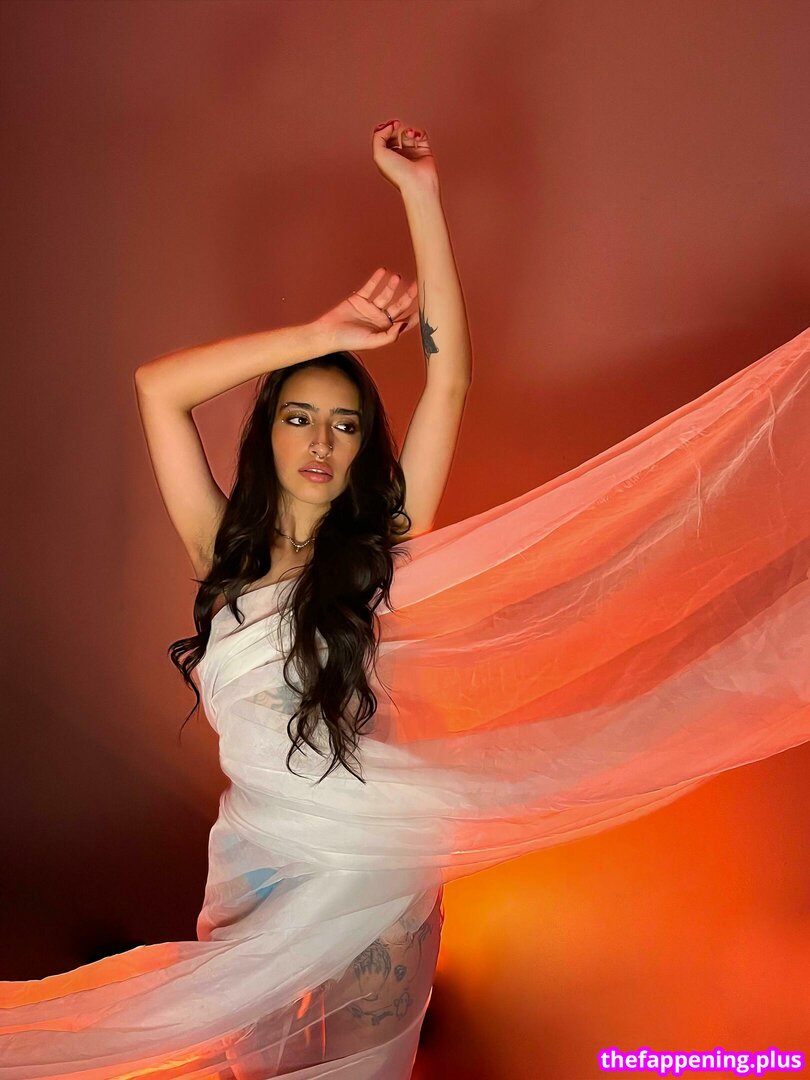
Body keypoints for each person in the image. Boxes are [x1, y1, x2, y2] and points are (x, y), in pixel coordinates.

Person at [1, 122, 809, 1079]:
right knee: (250, 1066)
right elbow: (157, 388)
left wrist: (421, 195)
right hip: (258, 859)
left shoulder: (378, 556)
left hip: (376, 864)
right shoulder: (223, 551)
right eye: (299, 416)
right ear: (268, 433)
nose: (321, 442)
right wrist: (319, 337)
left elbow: (449, 379)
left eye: (345, 425)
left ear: (359, 451)